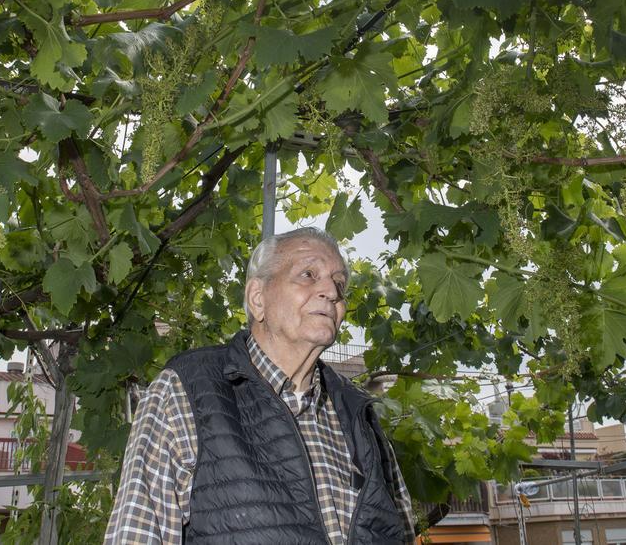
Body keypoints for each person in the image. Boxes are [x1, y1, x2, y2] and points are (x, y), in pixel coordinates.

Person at [105, 227, 416, 544]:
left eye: (339, 283)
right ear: (258, 298)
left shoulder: (359, 415)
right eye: (308, 274)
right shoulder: (185, 390)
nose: (332, 292)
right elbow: (136, 535)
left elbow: (401, 533)